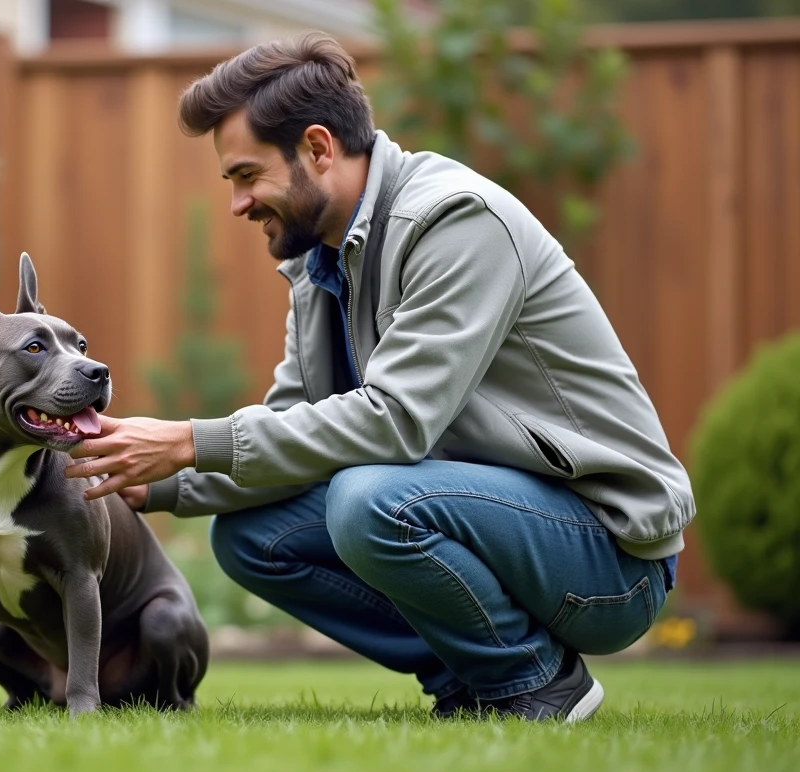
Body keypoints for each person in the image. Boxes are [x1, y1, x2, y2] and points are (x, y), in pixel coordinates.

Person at [64, 32, 692, 722]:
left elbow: (397, 419)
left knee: (368, 502)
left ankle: (536, 684)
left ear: (318, 148)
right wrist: (144, 480)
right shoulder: (322, 261)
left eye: (246, 176)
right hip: (488, 514)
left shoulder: (453, 220)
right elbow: (291, 436)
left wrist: (188, 440)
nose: (238, 204)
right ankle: (468, 680)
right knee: (251, 536)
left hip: (608, 556)